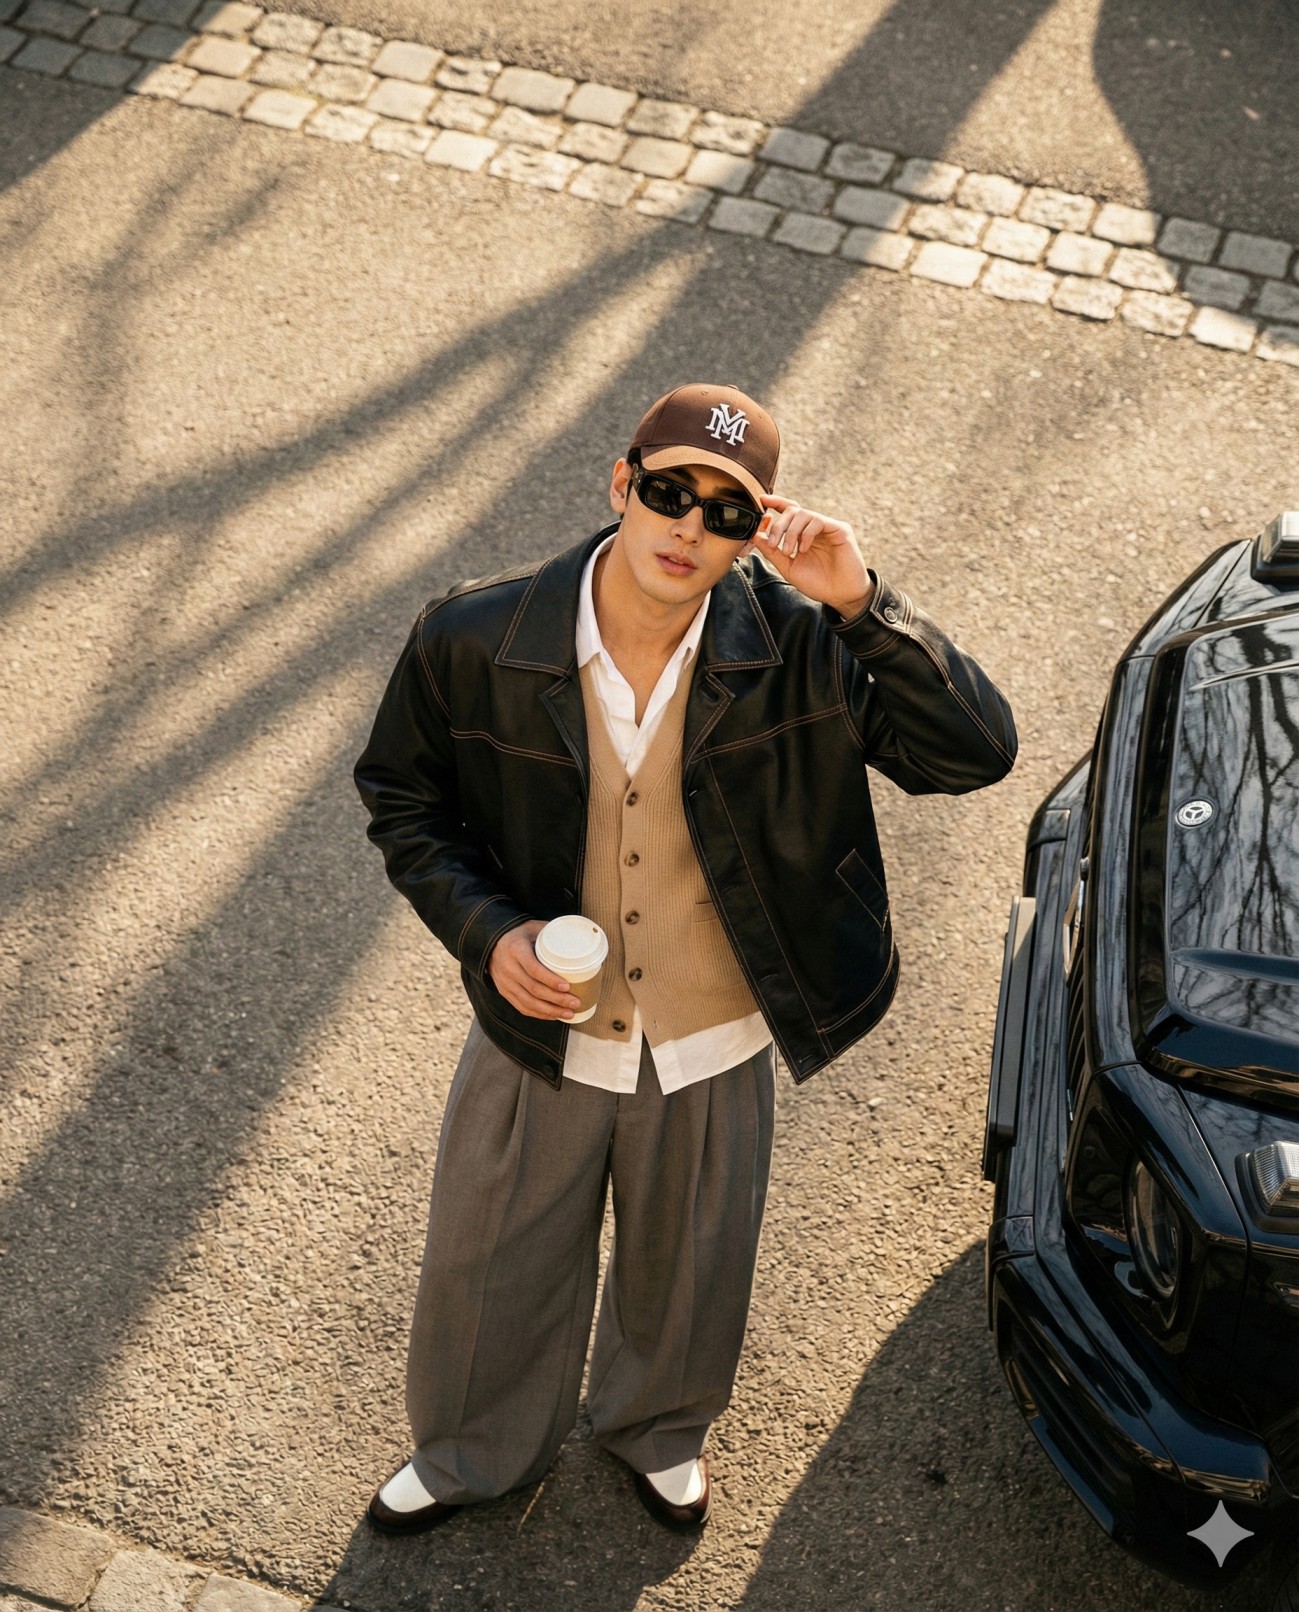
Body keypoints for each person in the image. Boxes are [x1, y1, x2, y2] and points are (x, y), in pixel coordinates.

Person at [353, 382, 1017, 1535]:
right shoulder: (475, 634)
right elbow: (404, 799)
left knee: (693, 1259)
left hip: (714, 1023)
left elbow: (973, 754)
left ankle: (655, 1429)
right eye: (668, 493)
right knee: (490, 1256)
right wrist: (488, 932)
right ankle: (466, 1449)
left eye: (726, 511)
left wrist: (863, 605)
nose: (687, 527)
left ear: (755, 529)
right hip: (541, 1018)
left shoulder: (807, 646)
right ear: (622, 485)